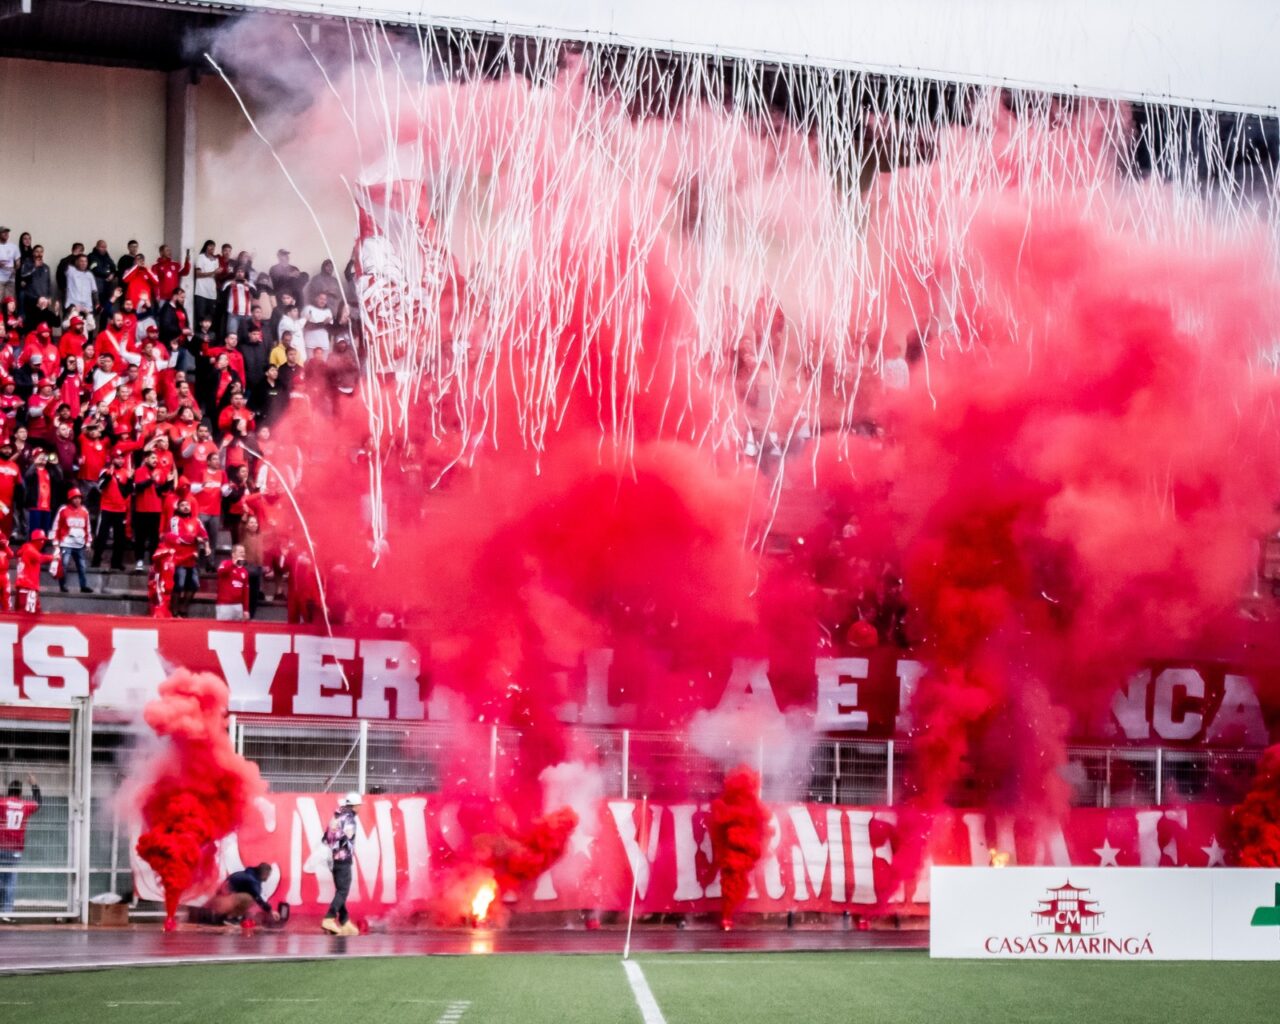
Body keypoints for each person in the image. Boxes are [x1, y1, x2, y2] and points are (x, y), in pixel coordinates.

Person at [191, 863, 287, 928]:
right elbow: (257, 898)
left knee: (248, 897)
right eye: (268, 875)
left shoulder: (246, 875)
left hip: (219, 901)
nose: (268, 878)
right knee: (249, 899)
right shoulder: (252, 881)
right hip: (221, 903)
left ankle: (227, 916)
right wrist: (270, 911)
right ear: (265, 874)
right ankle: (232, 919)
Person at [0, 775, 40, 921]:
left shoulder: (2, 803)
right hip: (15, 849)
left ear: (8, 791)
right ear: (20, 793)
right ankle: (6, 913)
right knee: (9, 881)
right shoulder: (24, 805)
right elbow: (38, 803)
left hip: (0, 845)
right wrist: (34, 785)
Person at [320, 793, 361, 936]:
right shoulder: (349, 819)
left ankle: (344, 921)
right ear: (355, 806)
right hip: (343, 859)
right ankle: (329, 918)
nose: (360, 808)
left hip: (333, 859)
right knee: (343, 891)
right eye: (359, 806)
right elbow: (347, 838)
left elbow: (325, 839)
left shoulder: (335, 818)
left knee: (340, 891)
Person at [169, 498, 210, 617]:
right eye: (183, 505)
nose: (186, 507)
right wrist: (194, 539)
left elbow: (204, 535)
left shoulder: (197, 521)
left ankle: (184, 608)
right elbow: (176, 536)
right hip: (179, 558)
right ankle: (174, 610)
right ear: (178, 508)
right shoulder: (174, 520)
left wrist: (207, 546)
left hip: (192, 559)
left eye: (187, 505)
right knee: (179, 585)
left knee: (194, 585)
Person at [52, 488, 93, 594]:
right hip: (66, 543)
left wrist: (88, 543)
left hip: (79, 544)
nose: (77, 500)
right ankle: (63, 585)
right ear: (70, 499)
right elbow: (56, 526)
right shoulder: (63, 510)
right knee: (64, 564)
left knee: (82, 566)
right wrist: (56, 543)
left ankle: (83, 586)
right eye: (75, 498)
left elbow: (87, 528)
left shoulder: (85, 512)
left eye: (79, 498)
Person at [15, 530, 55, 614]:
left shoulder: (26, 548)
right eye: (41, 540)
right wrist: (53, 557)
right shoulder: (30, 550)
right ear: (36, 540)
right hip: (28, 586)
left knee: (30, 613)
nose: (43, 542)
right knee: (28, 615)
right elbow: (40, 558)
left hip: (25, 586)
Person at [214, 544, 251, 621]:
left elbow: (246, 592)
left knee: (238, 631)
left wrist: (246, 610)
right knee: (223, 631)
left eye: (244, 552)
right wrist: (233, 563)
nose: (243, 554)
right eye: (241, 552)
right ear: (233, 554)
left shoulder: (244, 571)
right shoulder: (225, 563)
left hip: (238, 606)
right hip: (225, 605)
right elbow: (221, 572)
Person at [148, 532, 177, 618]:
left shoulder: (174, 553)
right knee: (159, 607)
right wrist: (167, 552)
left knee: (166, 605)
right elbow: (155, 556)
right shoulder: (162, 550)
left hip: (168, 585)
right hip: (158, 585)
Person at [0, 228, 19, 303]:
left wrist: (15, 269)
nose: (6, 234)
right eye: (3, 232)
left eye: (7, 232)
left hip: (10, 280)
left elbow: (18, 261)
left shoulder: (13, 247)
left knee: (10, 303)